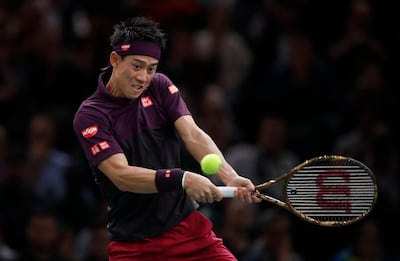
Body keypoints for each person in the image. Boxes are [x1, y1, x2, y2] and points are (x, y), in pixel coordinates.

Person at [72, 16, 260, 260]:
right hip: (135, 246)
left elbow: (192, 134)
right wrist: (182, 178)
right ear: (115, 60)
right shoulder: (91, 116)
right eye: (137, 66)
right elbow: (121, 175)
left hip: (189, 232)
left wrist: (229, 175)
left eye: (151, 68)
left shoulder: (160, 87)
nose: (143, 77)